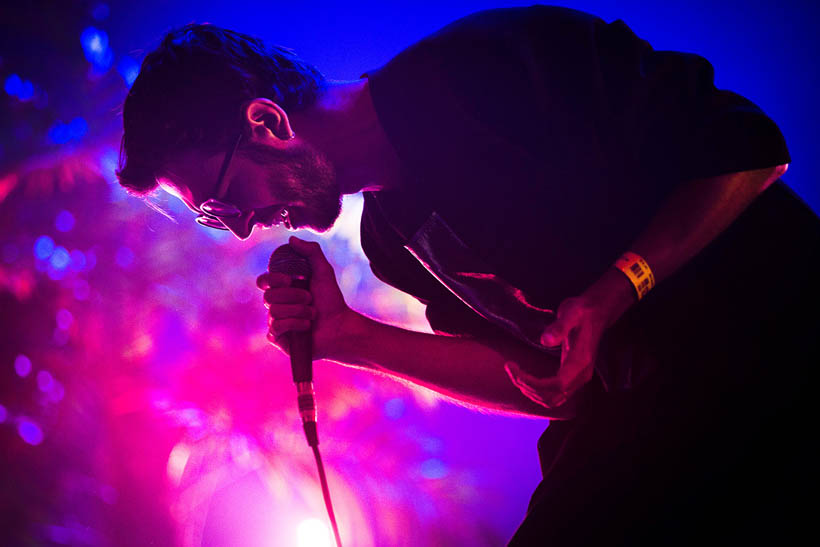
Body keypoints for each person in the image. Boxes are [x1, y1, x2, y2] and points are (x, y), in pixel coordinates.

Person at [117, 5, 819, 544]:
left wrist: (617, 288)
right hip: (657, 418)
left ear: (267, 121)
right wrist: (350, 336)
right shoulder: (391, 239)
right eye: (214, 220)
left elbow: (751, 146)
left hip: (769, 337)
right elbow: (551, 389)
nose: (240, 227)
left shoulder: (479, 70)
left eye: (221, 202)